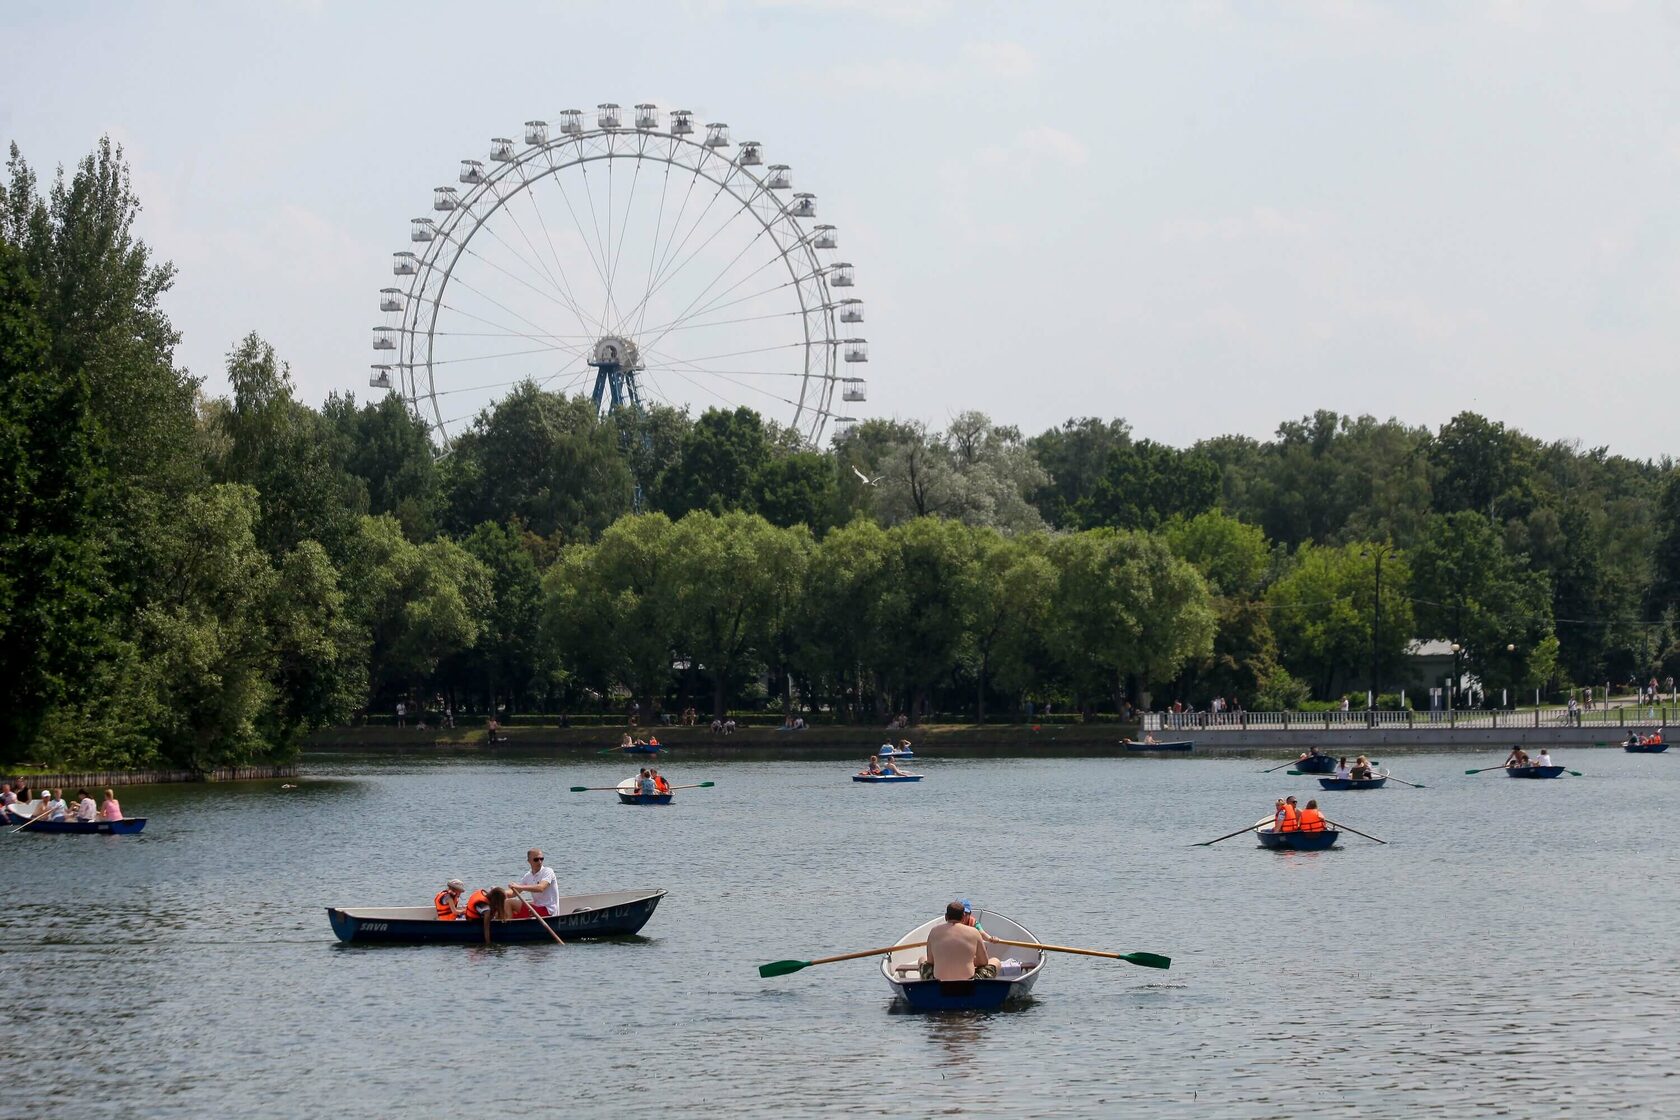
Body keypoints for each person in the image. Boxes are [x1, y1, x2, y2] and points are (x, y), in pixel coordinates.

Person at [897, 901, 999, 981]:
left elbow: (931, 961)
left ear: (946, 917)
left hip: (938, 981)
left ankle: (927, 988)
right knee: (995, 961)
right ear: (963, 917)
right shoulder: (974, 932)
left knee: (922, 959)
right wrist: (970, 961)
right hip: (970, 981)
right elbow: (983, 962)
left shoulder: (934, 931)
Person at [508, 849, 559, 918]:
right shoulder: (528, 876)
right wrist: (496, 892)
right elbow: (514, 893)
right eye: (536, 859)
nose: (539, 861)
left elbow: (541, 888)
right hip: (537, 910)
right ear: (529, 861)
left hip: (548, 911)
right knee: (504, 906)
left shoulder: (548, 871)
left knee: (510, 903)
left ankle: (508, 927)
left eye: (541, 859)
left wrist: (519, 887)